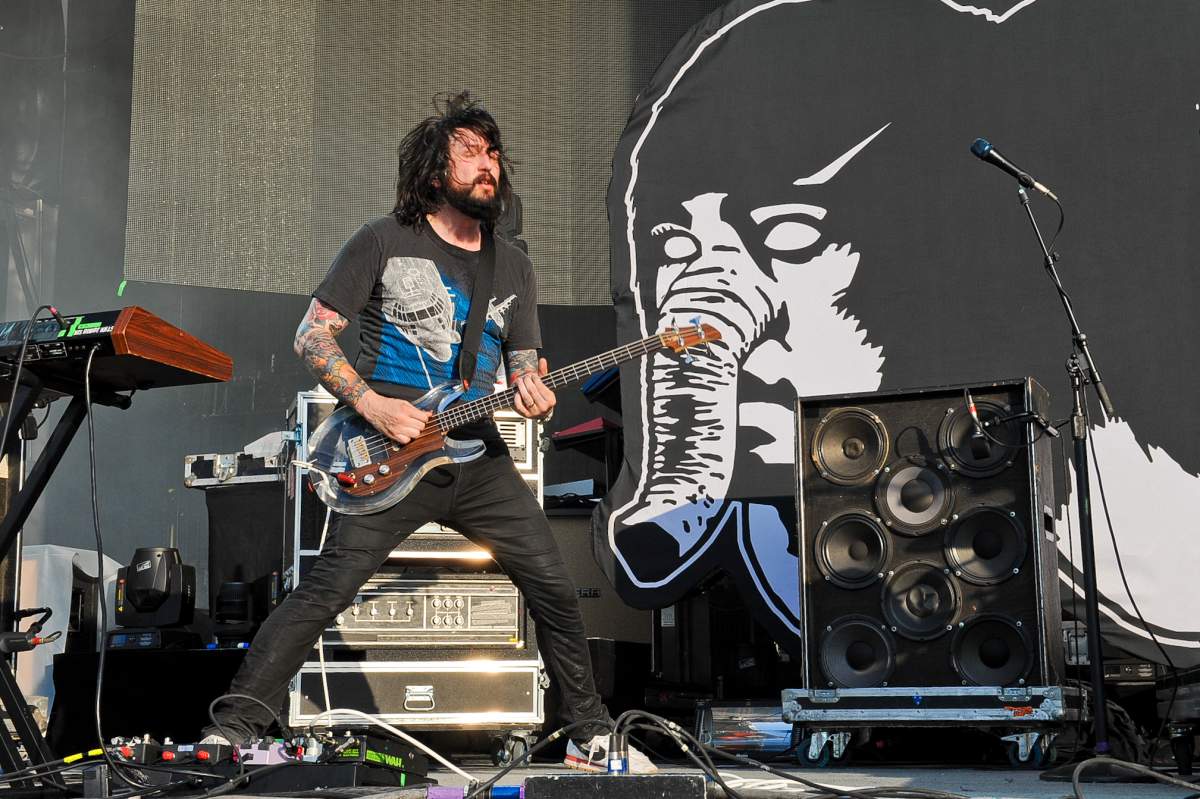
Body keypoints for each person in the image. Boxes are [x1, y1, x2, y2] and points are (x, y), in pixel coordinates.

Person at [202, 92, 655, 774]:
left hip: (478, 455)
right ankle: (231, 728)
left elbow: (524, 367)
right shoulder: (383, 240)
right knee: (325, 590)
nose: (488, 165)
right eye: (470, 152)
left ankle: (589, 734)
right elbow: (312, 334)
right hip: (387, 452)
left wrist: (535, 397)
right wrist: (375, 405)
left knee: (556, 588)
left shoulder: (515, 265)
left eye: (493, 153)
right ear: (432, 170)